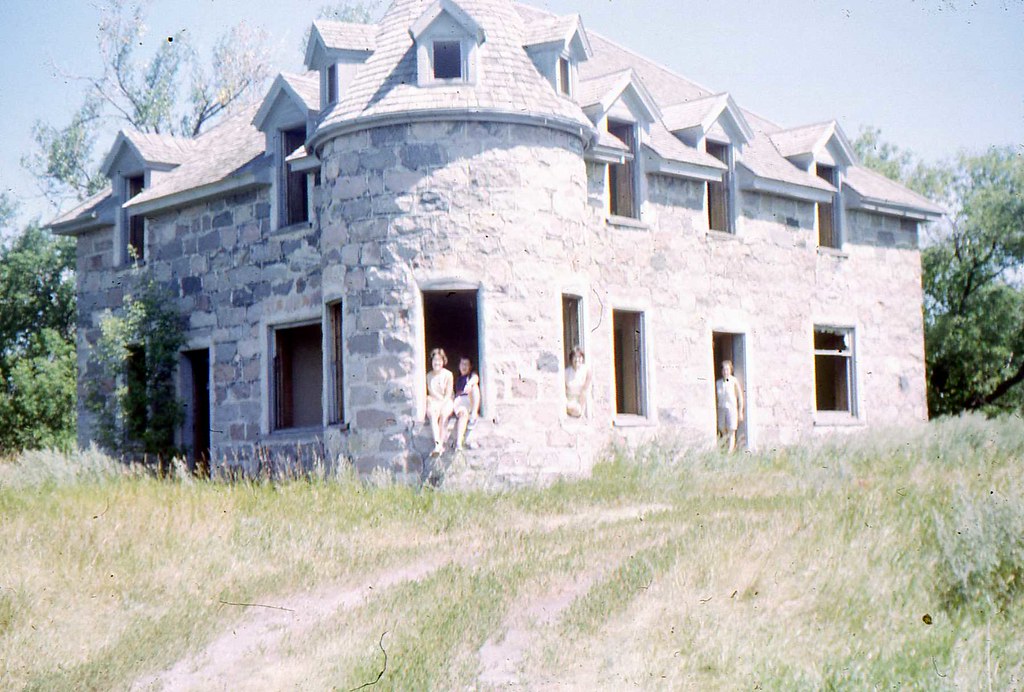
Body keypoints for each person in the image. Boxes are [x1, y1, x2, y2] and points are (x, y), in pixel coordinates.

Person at [425, 348, 454, 456]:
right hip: (434, 401)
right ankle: (437, 444)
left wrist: (442, 404)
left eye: (439, 360)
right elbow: (430, 392)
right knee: (433, 415)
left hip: (446, 400)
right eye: (435, 360)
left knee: (443, 416)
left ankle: (440, 445)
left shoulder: (448, 374)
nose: (437, 363)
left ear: (443, 361)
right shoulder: (428, 376)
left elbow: (448, 393)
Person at [716, 360, 745, 453]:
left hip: (731, 408)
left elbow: (739, 396)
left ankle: (730, 451)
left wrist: (740, 411)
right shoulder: (718, 383)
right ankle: (726, 444)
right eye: (724, 370)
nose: (725, 372)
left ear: (730, 370)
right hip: (722, 408)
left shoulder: (733, 381)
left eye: (727, 369)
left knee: (731, 429)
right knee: (721, 427)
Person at [453, 356, 481, 450]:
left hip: (470, 400)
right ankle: (459, 442)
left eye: (466, 364)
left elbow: (475, 378)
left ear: (470, 366)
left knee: (475, 388)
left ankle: (473, 414)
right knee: (463, 414)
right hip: (460, 402)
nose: (464, 366)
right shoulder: (457, 378)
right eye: (462, 364)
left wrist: (469, 384)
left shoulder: (471, 377)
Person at [565, 345, 592, 418]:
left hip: (581, 402)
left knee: (577, 410)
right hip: (569, 401)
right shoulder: (566, 372)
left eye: (579, 357)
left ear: (582, 359)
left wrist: (581, 409)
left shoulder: (586, 371)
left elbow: (584, 391)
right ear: (571, 359)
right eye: (575, 357)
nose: (577, 360)